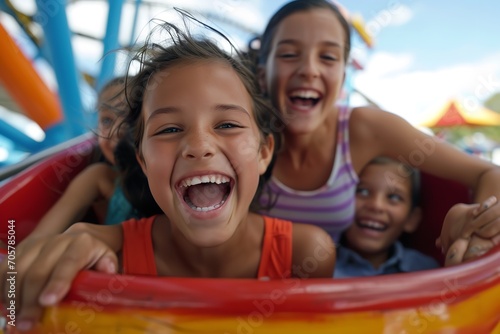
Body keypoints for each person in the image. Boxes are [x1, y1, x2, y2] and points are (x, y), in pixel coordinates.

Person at [1, 20, 335, 330]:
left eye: (227, 125)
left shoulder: (305, 254)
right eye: (170, 128)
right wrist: (58, 259)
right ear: (143, 162)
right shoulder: (109, 253)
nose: (199, 145)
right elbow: (12, 285)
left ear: (263, 152)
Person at [252, 0, 500, 263]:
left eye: (328, 57)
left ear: (342, 77)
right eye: (289, 54)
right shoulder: (242, 132)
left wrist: (475, 223)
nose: (309, 70)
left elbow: (488, 172)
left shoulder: (364, 129)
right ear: (261, 74)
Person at [26, 77, 141, 240]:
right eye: (107, 120)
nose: (116, 131)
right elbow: (39, 238)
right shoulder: (99, 177)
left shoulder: (166, 177)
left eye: (131, 119)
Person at [334, 157, 439, 278]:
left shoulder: (426, 270)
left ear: (412, 219)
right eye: (362, 191)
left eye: (394, 197)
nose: (376, 205)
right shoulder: (320, 268)